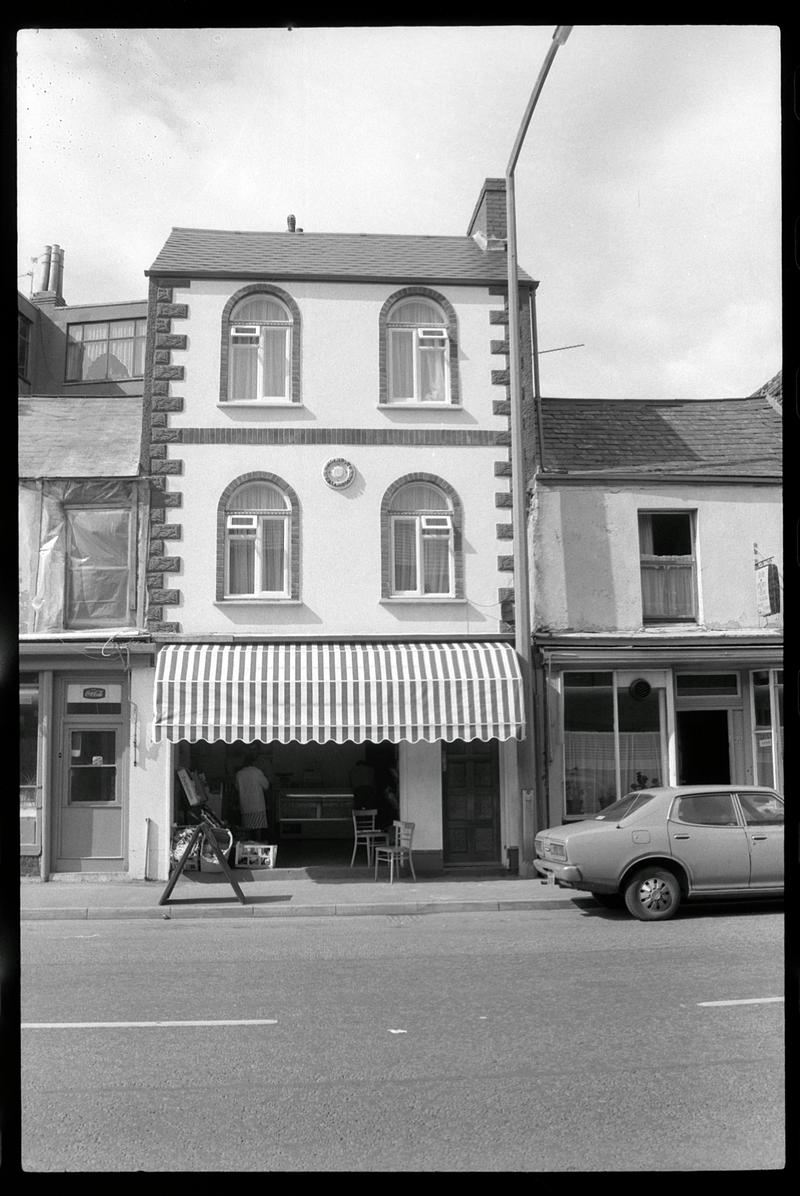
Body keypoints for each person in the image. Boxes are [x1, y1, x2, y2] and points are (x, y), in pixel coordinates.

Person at [236, 752, 271, 842]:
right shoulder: (257, 772)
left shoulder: (239, 774)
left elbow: (237, 788)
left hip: (245, 806)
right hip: (257, 805)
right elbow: (266, 785)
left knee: (247, 830)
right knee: (258, 829)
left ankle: (248, 849)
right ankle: (257, 847)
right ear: (254, 762)